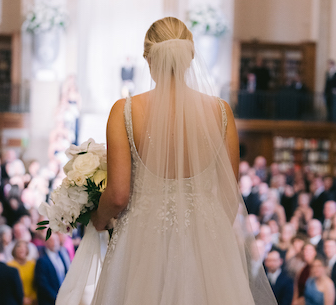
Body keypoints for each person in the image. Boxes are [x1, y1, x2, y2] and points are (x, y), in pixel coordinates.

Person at [86, 17, 277, 304]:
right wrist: (205, 230)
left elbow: (118, 194)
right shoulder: (221, 112)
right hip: (206, 247)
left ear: (148, 58)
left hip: (143, 243)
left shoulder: (124, 111)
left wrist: (97, 220)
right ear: (190, 57)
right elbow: (229, 195)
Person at [35, 232, 70, 305]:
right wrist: (56, 298)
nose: (55, 243)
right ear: (46, 242)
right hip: (50, 300)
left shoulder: (61, 255)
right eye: (51, 240)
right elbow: (43, 284)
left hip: (64, 297)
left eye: (56, 240)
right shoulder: (42, 260)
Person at [7, 240, 37, 305]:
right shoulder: (9, 265)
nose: (22, 249)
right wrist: (21, 299)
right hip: (16, 301)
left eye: (24, 248)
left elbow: (37, 283)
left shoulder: (32, 264)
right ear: (14, 250)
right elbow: (8, 287)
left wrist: (32, 298)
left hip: (33, 300)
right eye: (19, 247)